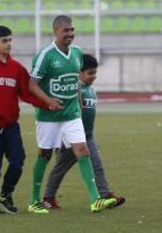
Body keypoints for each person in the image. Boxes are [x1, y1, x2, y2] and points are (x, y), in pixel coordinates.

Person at [28, 15, 116, 214]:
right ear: (56, 32)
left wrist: (78, 104)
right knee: (44, 156)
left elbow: (75, 82)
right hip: (48, 116)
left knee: (83, 151)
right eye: (66, 30)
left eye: (72, 30)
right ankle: (34, 200)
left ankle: (96, 199)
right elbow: (31, 85)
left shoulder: (77, 53)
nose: (70, 34)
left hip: (72, 115)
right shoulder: (45, 55)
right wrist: (49, 101)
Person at [0, 26, 52, 215]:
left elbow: (26, 92)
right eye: (4, 41)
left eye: (10, 40)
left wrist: (48, 104)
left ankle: (5, 195)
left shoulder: (16, 68)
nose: (9, 44)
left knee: (18, 160)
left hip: (11, 125)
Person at [41, 54, 125, 209]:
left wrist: (92, 138)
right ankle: (48, 198)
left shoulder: (92, 91)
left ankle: (105, 195)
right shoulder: (73, 90)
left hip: (88, 137)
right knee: (60, 169)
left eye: (95, 73)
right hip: (70, 139)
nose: (93, 76)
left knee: (97, 166)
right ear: (79, 72)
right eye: (90, 73)